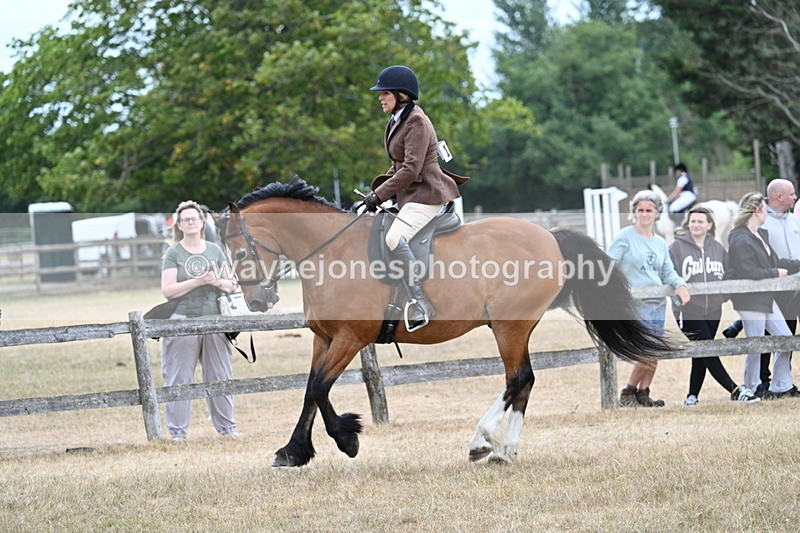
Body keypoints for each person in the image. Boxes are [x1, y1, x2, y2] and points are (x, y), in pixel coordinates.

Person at [362, 65, 468, 330]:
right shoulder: (398, 120)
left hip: (427, 196)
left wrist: (379, 195)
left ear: (401, 94)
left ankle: (420, 302)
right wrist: (375, 194)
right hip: (411, 196)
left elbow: (411, 169)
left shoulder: (417, 121)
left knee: (394, 237)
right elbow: (397, 165)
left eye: (384, 93)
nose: (380, 97)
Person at [160, 200, 241, 441]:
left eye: (194, 218)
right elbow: (168, 290)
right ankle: (178, 433)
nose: (191, 222)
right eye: (186, 220)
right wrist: (198, 281)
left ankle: (227, 429)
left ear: (202, 222)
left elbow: (231, 284)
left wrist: (215, 282)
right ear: (180, 225)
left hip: (214, 319)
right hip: (183, 320)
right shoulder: (173, 253)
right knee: (178, 377)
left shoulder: (215, 250)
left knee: (220, 375)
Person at [668, 206, 760, 405]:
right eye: (692, 221)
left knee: (701, 351)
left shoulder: (717, 247)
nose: (696, 224)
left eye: (700, 221)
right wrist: (678, 296)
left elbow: (729, 272)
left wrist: (723, 296)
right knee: (708, 349)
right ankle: (735, 390)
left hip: (713, 309)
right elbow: (668, 274)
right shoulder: (677, 247)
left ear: (709, 225)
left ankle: (692, 396)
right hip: (688, 310)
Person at [607, 190, 690, 407]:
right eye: (640, 210)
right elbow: (609, 265)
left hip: (658, 303)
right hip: (635, 303)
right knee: (646, 349)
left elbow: (667, 271)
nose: (644, 214)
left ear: (657, 213)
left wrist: (680, 284)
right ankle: (628, 393)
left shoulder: (660, 242)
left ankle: (643, 393)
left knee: (655, 350)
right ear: (634, 212)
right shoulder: (625, 236)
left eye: (648, 210)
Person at [726, 192, 800, 399]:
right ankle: (751, 387)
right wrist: (774, 274)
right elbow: (746, 271)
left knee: (786, 339)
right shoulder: (739, 238)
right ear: (757, 211)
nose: (767, 212)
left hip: (767, 298)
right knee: (755, 344)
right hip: (750, 299)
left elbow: (775, 262)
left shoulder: (761, 235)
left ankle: (780, 385)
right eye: (764, 209)